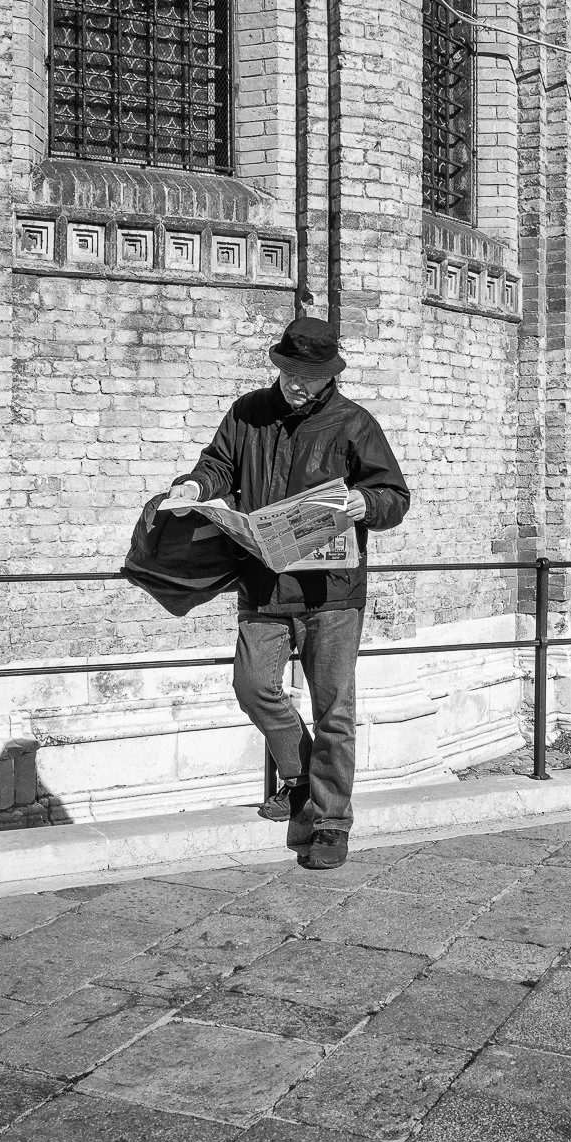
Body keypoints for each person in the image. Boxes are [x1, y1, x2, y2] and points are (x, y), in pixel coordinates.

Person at [166, 316, 410, 869]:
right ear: (279, 366)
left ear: (330, 375)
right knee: (252, 685)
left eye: (311, 376)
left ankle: (329, 822)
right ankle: (301, 776)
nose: (299, 384)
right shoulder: (248, 411)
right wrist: (195, 486)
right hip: (263, 582)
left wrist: (366, 503)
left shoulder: (354, 422)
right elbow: (218, 465)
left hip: (331, 593)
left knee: (334, 711)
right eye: (291, 373)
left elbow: (394, 496)